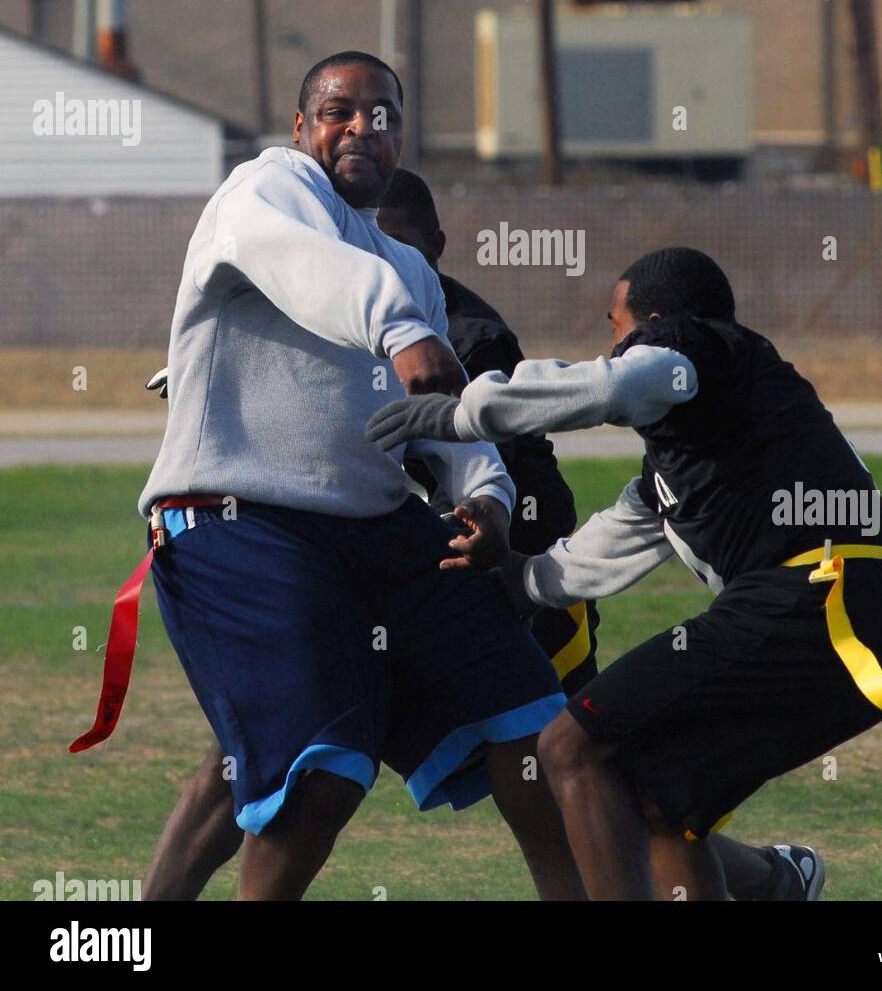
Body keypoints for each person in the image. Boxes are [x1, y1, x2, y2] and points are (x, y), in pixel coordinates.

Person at [133, 50, 583, 902]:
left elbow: (443, 421)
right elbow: (313, 269)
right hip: (237, 517)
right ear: (301, 128)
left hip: (376, 531)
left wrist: (485, 499)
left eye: (381, 115)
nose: (360, 128)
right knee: (321, 770)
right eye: (339, 111)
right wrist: (398, 330)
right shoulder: (261, 193)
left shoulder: (406, 270)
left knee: (550, 744)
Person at [368, 246, 882, 901]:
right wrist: (519, 577)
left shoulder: (693, 341)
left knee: (573, 745)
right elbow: (616, 538)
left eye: (614, 326)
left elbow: (614, 386)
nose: (612, 342)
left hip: (820, 603)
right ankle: (777, 886)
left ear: (652, 320)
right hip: (845, 620)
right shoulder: (704, 434)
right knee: (655, 803)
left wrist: (463, 414)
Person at [377, 168, 599, 696]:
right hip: (435, 547)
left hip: (522, 546)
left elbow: (481, 475)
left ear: (436, 244)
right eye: (372, 246)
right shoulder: (362, 317)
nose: (389, 262)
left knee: (560, 730)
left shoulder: (470, 338)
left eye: (403, 244)